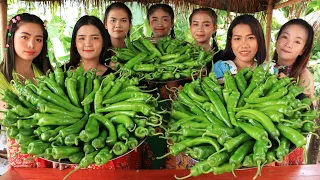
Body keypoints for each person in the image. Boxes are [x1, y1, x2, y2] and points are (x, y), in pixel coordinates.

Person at [0, 13, 52, 168]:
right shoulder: (1, 77)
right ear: (11, 38)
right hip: (22, 152)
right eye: (25, 37)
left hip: (52, 151)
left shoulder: (45, 75)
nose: (32, 45)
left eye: (38, 39)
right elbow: (10, 116)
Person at [273, 19, 315, 166]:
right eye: (285, 37)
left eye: (297, 42)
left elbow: (306, 107)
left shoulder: (304, 75)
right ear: (277, 40)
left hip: (288, 143)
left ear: (303, 49)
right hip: (269, 138)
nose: (288, 44)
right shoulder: (266, 68)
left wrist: (287, 85)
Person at [214, 14, 266, 79]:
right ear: (231, 42)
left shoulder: (269, 71)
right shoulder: (220, 68)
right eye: (237, 39)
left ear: (259, 40)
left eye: (250, 38)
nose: (244, 45)